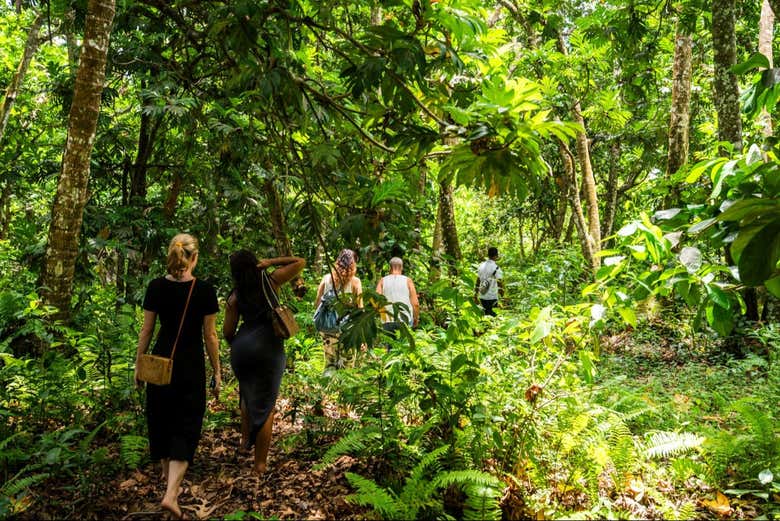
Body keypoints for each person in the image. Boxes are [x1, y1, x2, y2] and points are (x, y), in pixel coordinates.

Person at [134, 233, 220, 520]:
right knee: (186, 422)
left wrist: (138, 364)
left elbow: (146, 330)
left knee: (161, 418)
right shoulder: (205, 290)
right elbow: (210, 336)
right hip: (190, 365)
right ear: (194, 258)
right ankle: (171, 493)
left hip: (160, 363)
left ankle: (167, 479)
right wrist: (217, 371)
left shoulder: (156, 287)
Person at [223, 251, 305, 476]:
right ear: (256, 264)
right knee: (266, 406)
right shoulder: (271, 280)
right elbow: (300, 262)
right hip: (269, 348)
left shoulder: (234, 297)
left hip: (242, 350)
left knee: (248, 394)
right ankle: (259, 465)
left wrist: (241, 346)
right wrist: (271, 262)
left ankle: (244, 442)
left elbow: (227, 332)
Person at [313, 248, 362, 372]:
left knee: (330, 364)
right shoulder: (355, 282)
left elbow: (317, 303)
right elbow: (360, 310)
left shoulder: (326, 279)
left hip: (328, 330)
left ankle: (327, 390)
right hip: (347, 331)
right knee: (347, 366)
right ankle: (343, 390)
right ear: (353, 264)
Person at [376, 257, 419, 337]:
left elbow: (376, 300)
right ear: (401, 267)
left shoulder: (382, 281)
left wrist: (383, 316)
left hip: (387, 320)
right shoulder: (408, 281)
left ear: (390, 267)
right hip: (405, 319)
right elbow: (415, 303)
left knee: (390, 347)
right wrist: (416, 318)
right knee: (404, 346)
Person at [475, 246, 504, 316]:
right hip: (492, 297)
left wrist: (475, 295)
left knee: (485, 317)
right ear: (496, 256)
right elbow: (500, 283)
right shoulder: (496, 268)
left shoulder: (481, 266)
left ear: (488, 255)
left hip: (482, 296)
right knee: (493, 318)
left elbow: (477, 281)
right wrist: (502, 296)